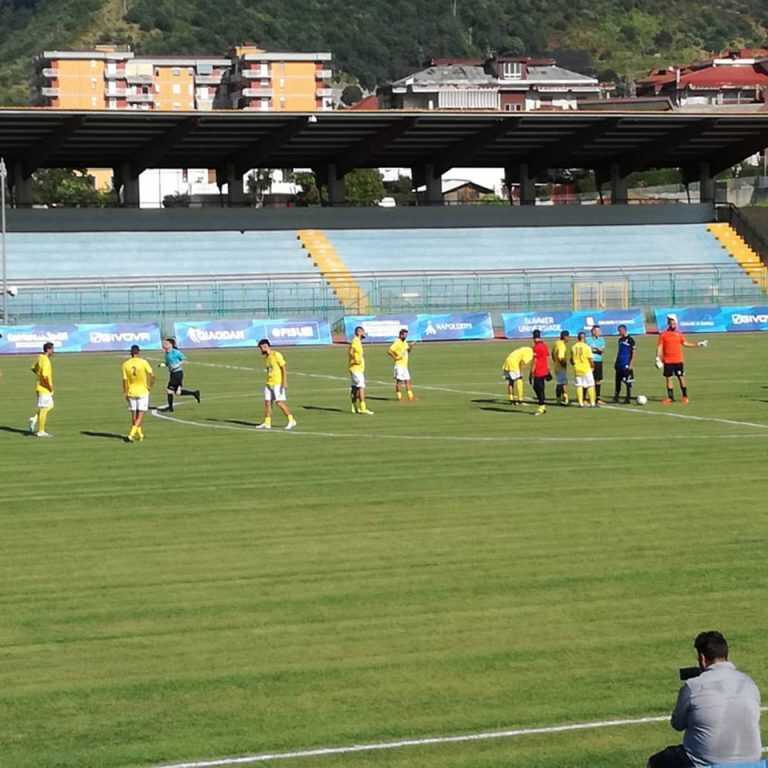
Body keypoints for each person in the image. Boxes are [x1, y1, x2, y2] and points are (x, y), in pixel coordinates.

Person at [648, 631, 762, 768]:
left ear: (702, 658)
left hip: (704, 762)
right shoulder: (749, 683)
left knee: (657, 761)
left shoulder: (693, 686)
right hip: (752, 761)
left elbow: (677, 724)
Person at [656, 315, 707, 404]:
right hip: (667, 360)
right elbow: (660, 347)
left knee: (681, 378)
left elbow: (685, 343)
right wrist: (657, 358)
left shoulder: (679, 334)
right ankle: (670, 398)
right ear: (668, 324)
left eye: (674, 323)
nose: (673, 324)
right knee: (668, 378)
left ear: (676, 324)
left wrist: (698, 344)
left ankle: (685, 396)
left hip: (678, 360)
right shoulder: (663, 334)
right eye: (671, 323)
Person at [255, 338, 297, 430]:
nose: (260, 350)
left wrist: (284, 382)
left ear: (265, 346)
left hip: (278, 383)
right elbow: (269, 370)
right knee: (267, 402)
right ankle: (267, 422)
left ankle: (291, 420)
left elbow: (283, 367)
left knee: (279, 402)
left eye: (261, 348)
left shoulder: (276, 355)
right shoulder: (266, 358)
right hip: (269, 383)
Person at [121, 344, 154, 442]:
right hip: (142, 391)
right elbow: (152, 375)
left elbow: (124, 380)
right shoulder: (143, 362)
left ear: (130, 352)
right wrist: (149, 386)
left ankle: (140, 434)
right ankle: (131, 434)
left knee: (134, 414)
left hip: (131, 392)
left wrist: (125, 392)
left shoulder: (125, 364)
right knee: (140, 414)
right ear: (138, 352)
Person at [159, 337, 200, 412]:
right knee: (177, 392)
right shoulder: (166, 353)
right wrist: (163, 365)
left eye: (166, 344)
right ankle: (194, 393)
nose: (164, 345)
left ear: (171, 345)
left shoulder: (176, 352)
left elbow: (184, 359)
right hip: (172, 373)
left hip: (177, 373)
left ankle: (170, 408)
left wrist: (177, 364)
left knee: (169, 390)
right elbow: (168, 363)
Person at [28, 341, 55, 438]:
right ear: (48, 349)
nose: (53, 351)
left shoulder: (40, 357)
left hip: (39, 386)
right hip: (44, 388)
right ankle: (41, 431)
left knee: (50, 405)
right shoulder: (46, 360)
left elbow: (33, 368)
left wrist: (38, 376)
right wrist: (49, 387)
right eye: (52, 349)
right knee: (44, 408)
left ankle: (35, 419)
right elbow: (44, 376)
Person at [349, 325, 373, 415]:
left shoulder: (358, 341)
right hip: (356, 369)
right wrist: (355, 360)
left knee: (354, 388)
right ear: (359, 332)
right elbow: (350, 351)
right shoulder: (355, 341)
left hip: (355, 369)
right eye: (363, 332)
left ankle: (354, 407)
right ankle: (363, 408)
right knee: (361, 387)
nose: (364, 334)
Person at [570, 331, 596, 407]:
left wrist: (575, 364)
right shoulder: (586, 347)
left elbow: (571, 359)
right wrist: (593, 366)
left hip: (577, 369)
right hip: (586, 368)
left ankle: (580, 403)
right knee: (590, 385)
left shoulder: (573, 347)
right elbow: (590, 359)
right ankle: (592, 403)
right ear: (584, 338)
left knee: (579, 386)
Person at [387, 328, 414, 401]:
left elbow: (407, 351)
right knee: (399, 381)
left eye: (406, 335)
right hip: (399, 365)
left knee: (407, 380)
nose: (406, 336)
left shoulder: (404, 342)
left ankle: (410, 396)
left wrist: (411, 346)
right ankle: (399, 396)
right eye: (404, 335)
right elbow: (389, 351)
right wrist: (395, 357)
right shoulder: (397, 342)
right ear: (400, 335)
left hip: (405, 366)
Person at [613, 324, 636, 404]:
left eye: (620, 331)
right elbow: (619, 352)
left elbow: (633, 353)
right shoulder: (620, 340)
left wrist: (631, 364)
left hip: (626, 363)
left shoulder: (630, 340)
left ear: (624, 330)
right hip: (619, 364)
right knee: (617, 381)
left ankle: (628, 398)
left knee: (628, 381)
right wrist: (616, 362)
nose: (619, 332)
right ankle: (616, 396)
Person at [531, 329, 550, 416]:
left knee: (537, 388)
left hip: (538, 371)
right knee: (541, 388)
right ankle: (543, 406)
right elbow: (547, 358)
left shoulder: (535, 347)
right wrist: (548, 370)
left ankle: (541, 406)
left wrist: (531, 372)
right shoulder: (545, 345)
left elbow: (535, 360)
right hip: (544, 370)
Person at [551, 330, 570, 405]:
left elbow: (552, 353)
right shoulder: (562, 345)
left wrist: (555, 361)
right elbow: (560, 357)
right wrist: (563, 364)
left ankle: (558, 398)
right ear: (565, 337)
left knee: (559, 383)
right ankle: (565, 398)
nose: (569, 338)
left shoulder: (557, 343)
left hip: (556, 366)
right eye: (568, 337)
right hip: (560, 367)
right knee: (563, 383)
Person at [588, 324, 606, 402]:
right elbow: (588, 350)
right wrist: (596, 349)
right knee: (589, 380)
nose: (598, 332)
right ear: (592, 331)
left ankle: (597, 398)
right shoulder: (588, 339)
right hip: (590, 361)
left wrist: (594, 349)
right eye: (596, 331)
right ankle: (587, 397)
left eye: (599, 331)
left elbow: (601, 351)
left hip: (598, 361)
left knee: (598, 380)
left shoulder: (601, 339)